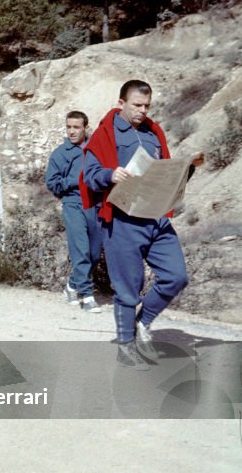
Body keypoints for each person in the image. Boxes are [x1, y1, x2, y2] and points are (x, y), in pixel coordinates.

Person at [80, 80, 205, 368]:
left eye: (147, 105)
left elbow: (164, 174)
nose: (142, 110)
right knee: (127, 289)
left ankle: (141, 323)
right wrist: (110, 175)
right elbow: (90, 175)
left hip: (155, 217)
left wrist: (186, 169)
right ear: (121, 102)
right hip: (122, 219)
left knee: (176, 276)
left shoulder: (154, 131)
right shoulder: (105, 133)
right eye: (137, 105)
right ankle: (125, 346)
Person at [45, 111, 104, 312]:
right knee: (81, 250)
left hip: (95, 205)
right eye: (68, 127)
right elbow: (51, 183)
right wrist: (75, 180)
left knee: (95, 253)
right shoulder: (60, 153)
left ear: (86, 128)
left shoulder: (96, 149)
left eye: (76, 127)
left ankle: (71, 285)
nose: (71, 131)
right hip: (73, 204)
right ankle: (87, 297)